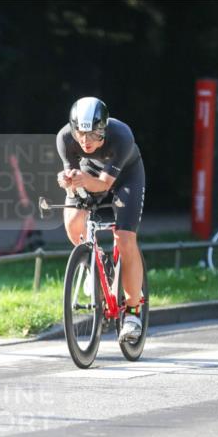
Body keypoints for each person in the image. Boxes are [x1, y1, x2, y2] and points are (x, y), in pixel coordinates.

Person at [55, 97, 146, 343]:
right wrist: (69, 183)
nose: (85, 141)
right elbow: (74, 184)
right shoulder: (65, 138)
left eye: (93, 135)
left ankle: (133, 313)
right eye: (80, 134)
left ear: (103, 129)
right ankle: (94, 266)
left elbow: (104, 185)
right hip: (91, 171)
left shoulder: (122, 135)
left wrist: (80, 180)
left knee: (125, 239)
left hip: (127, 177)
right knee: (73, 221)